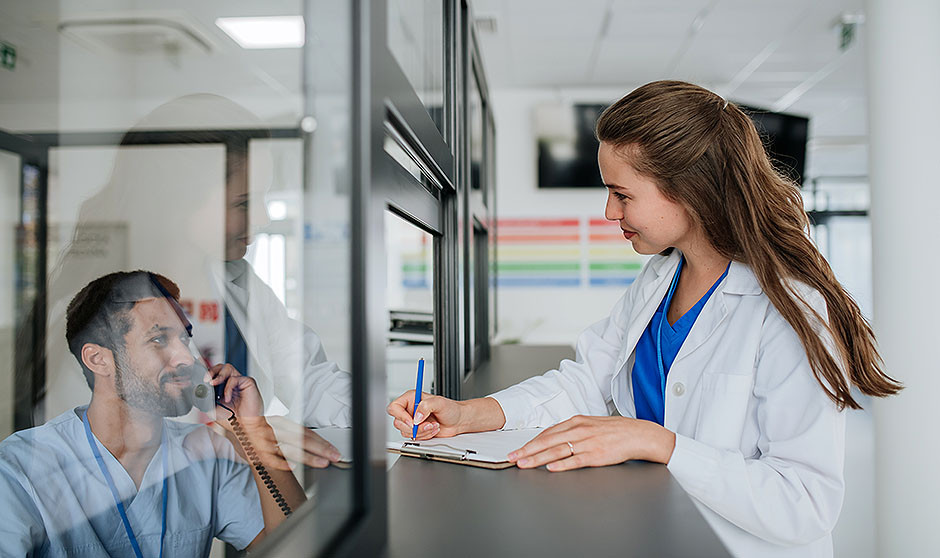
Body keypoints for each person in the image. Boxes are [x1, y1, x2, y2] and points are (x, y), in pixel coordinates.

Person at [387, 80, 902, 557]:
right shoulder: (660, 277)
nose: (609, 213)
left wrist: (659, 443)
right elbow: (588, 382)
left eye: (623, 194)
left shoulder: (790, 309)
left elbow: (805, 502)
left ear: (689, 190)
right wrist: (474, 414)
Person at [0, 270, 336, 556]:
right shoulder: (20, 468)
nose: (187, 358)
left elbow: (296, 548)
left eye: (184, 339)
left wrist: (254, 431)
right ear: (98, 360)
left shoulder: (205, 454)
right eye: (159, 340)